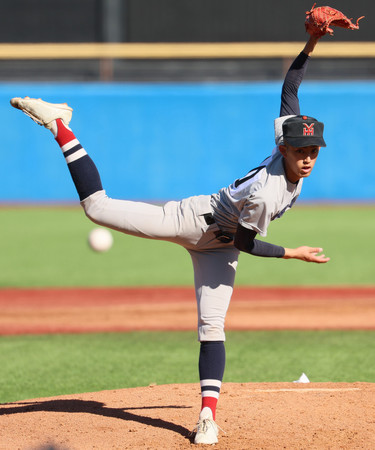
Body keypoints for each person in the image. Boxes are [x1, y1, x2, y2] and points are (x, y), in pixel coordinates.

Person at [11, 32, 329, 445]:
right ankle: (58, 124)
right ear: (282, 148)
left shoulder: (289, 145)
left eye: (314, 150)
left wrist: (310, 44)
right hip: (195, 220)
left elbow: (290, 87)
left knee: (212, 327)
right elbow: (247, 244)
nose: (307, 157)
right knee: (97, 208)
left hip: (222, 247)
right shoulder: (266, 194)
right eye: (300, 149)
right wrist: (293, 253)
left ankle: (207, 418)